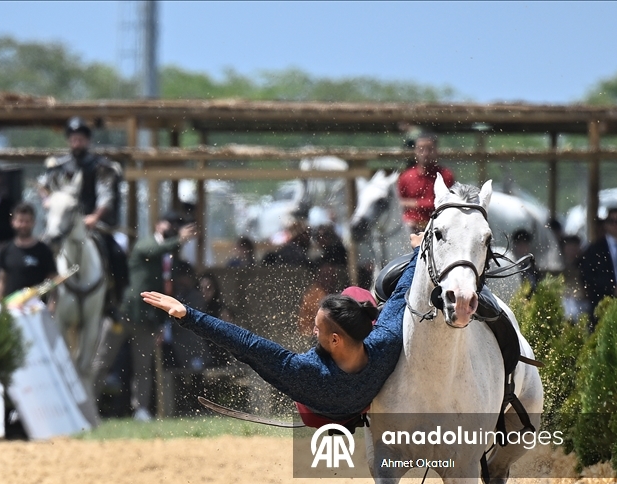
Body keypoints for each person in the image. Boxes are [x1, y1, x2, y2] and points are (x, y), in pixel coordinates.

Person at [140, 249, 419, 423]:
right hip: (367, 398)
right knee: (362, 296)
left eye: (317, 328)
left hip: (317, 415)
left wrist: (187, 315)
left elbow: (246, 343)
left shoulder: (304, 372)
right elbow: (401, 295)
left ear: (335, 339)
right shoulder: (385, 343)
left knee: (354, 295)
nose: (312, 330)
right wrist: (419, 252)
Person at [44, 117, 128, 314]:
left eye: (80, 138)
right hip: (63, 226)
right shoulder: (57, 166)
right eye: (73, 138)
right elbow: (46, 189)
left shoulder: (102, 166)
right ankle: (43, 298)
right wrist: (48, 201)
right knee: (43, 251)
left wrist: (94, 217)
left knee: (117, 254)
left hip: (94, 226)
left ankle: (115, 300)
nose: (77, 142)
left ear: (87, 141)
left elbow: (105, 195)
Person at [122, 212, 197, 421]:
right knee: (102, 360)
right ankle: (87, 406)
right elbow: (152, 250)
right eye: (169, 223)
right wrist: (179, 239)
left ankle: (141, 410)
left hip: (148, 318)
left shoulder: (171, 253)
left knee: (142, 366)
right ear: (157, 224)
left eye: (176, 225)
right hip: (126, 314)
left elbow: (168, 289)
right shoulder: (146, 243)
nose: (172, 227)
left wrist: (163, 322)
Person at [397, 133, 455, 243]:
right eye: (421, 149)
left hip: (437, 231)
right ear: (415, 151)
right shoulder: (406, 176)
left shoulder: (445, 175)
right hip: (408, 231)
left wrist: (414, 203)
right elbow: (397, 204)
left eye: (429, 149)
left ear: (436, 151)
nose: (425, 153)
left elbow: (445, 204)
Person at [0, 203, 57, 301]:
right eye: (20, 221)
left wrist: (52, 304)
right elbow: (2, 280)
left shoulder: (44, 250)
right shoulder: (6, 249)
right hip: (12, 306)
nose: (23, 225)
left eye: (27, 221)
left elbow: (52, 280)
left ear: (33, 223)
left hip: (37, 307)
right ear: (13, 222)